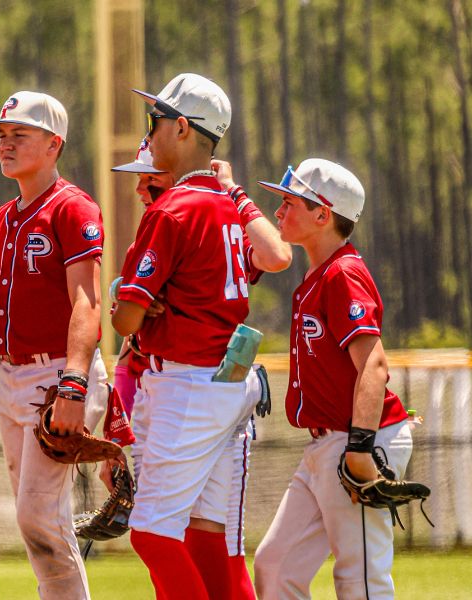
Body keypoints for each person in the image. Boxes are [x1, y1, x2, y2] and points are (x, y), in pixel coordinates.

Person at [111, 137, 291, 599]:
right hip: (192, 382)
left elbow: (275, 256)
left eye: (149, 180)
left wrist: (234, 191)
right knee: (207, 537)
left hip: (190, 384)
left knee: (159, 533)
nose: (142, 191)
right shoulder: (196, 218)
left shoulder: (192, 214)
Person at [252, 159, 413, 599]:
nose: (279, 211)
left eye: (290, 202)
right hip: (327, 442)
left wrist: (361, 447)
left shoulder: (342, 273)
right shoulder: (317, 274)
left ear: (323, 215)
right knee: (275, 565)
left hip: (359, 439)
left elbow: (375, 365)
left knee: (360, 578)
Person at [0, 90, 109, 599]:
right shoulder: (6, 215)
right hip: (13, 374)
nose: (5, 145)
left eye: (19, 135)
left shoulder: (72, 208)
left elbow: (87, 302)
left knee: (39, 519)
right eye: (2, 136)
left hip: (56, 374)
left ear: (54, 144)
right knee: (37, 522)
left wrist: (74, 383)